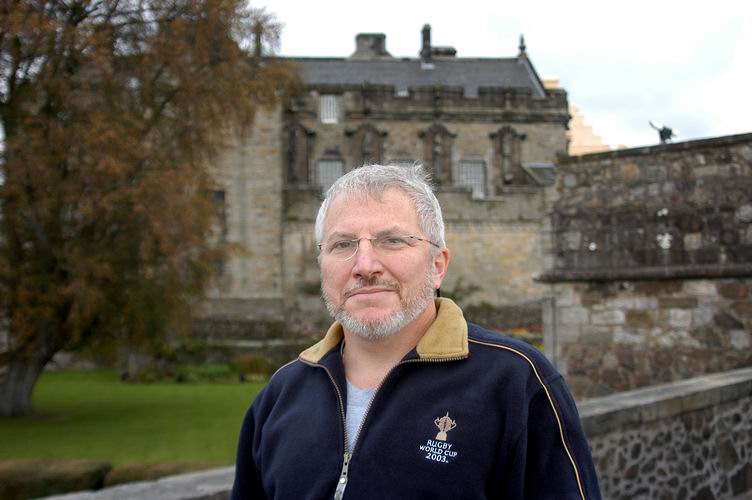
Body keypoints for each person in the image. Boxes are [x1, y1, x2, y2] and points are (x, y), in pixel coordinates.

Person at [231, 164, 601, 499]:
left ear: (437, 265)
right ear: (321, 265)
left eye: (392, 240)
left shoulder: (518, 383)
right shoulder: (280, 395)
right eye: (342, 244)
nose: (364, 265)